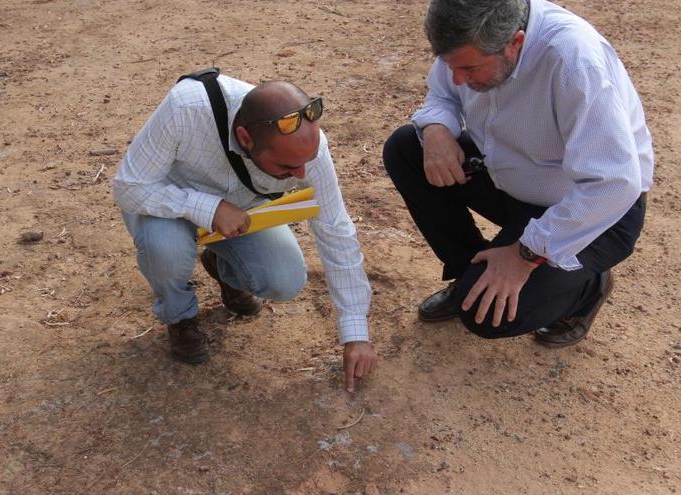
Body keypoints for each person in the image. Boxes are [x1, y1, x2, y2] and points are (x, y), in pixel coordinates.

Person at [383, 0, 653, 347]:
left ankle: (588, 287)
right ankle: (470, 269)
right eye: (450, 64)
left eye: (469, 69)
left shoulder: (575, 61)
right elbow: (442, 93)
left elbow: (615, 182)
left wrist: (524, 256)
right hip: (511, 179)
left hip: (592, 211)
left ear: (516, 42)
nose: (458, 79)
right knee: (407, 148)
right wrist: (436, 127)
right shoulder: (472, 34)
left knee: (483, 312)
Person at [114, 70, 377, 392]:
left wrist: (356, 333)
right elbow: (129, 188)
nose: (301, 173)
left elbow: (335, 228)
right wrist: (208, 209)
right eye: (286, 167)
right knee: (166, 250)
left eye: (305, 162)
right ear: (246, 138)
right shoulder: (187, 109)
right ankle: (179, 314)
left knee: (284, 280)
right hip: (165, 204)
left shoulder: (308, 147)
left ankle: (223, 268)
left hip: (240, 214)